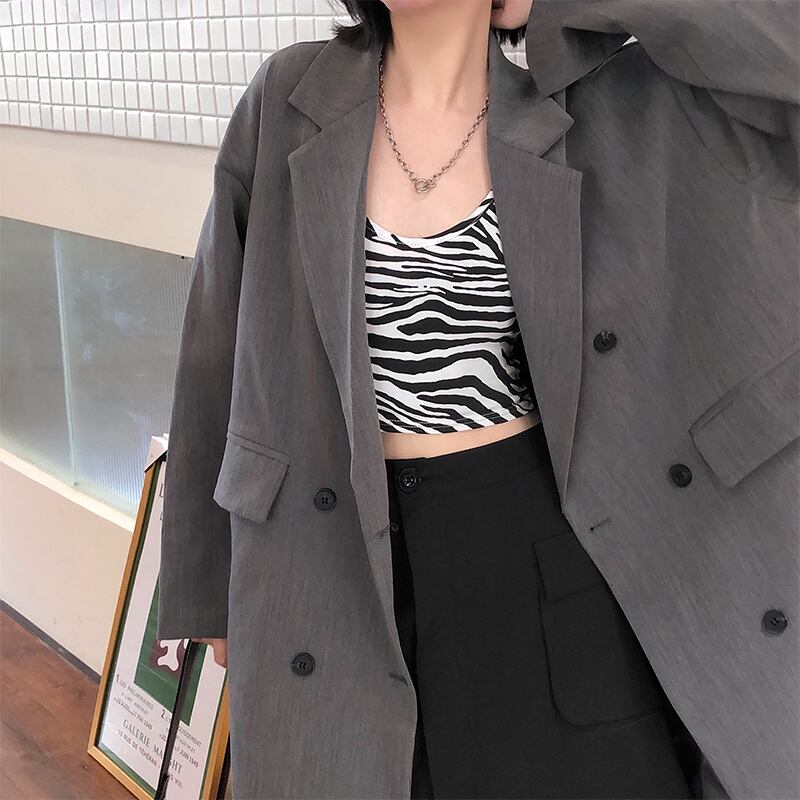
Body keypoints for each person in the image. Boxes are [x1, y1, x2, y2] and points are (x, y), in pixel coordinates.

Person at [156, 2, 799, 798]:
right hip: (336, 563)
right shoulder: (289, 97)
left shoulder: (603, 100)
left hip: (546, 568)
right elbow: (213, 349)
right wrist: (204, 585)